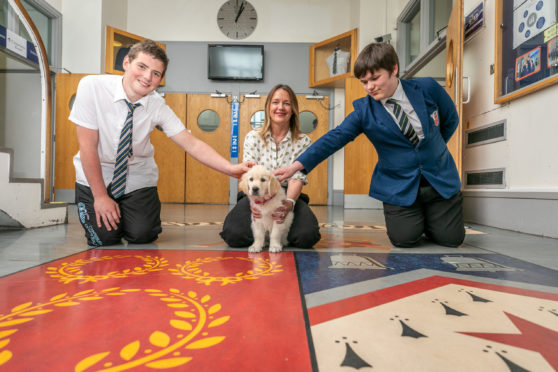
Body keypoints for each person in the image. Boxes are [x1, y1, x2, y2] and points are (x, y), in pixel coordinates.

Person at [274, 42, 465, 248]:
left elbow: (450, 119)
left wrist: (433, 150)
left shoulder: (427, 88)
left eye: (375, 78)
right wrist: (296, 166)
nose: (369, 87)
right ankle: (418, 220)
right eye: (364, 82)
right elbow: (335, 137)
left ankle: (434, 219)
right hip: (399, 184)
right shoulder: (364, 112)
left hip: (439, 177)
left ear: (394, 69)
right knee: (405, 239)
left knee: (452, 239)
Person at [71, 39, 254, 247]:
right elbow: (88, 147)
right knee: (103, 239)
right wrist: (101, 196)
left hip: (136, 176)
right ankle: (110, 212)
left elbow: (191, 143)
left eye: (156, 73)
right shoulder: (91, 87)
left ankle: (127, 214)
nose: (147, 77)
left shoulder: (157, 105)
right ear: (126, 63)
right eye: (142, 67)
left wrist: (230, 168)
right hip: (95, 176)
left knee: (143, 234)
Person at [219, 84, 321, 248]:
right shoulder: (253, 137)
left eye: (286, 103)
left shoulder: (303, 141)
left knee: (307, 236)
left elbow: (298, 177)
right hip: (256, 195)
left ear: (293, 109)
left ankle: (276, 234)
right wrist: (254, 202)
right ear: (268, 107)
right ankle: (263, 235)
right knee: (233, 235)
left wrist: (288, 203)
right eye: (275, 102)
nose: (280, 107)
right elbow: (250, 175)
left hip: (288, 195)